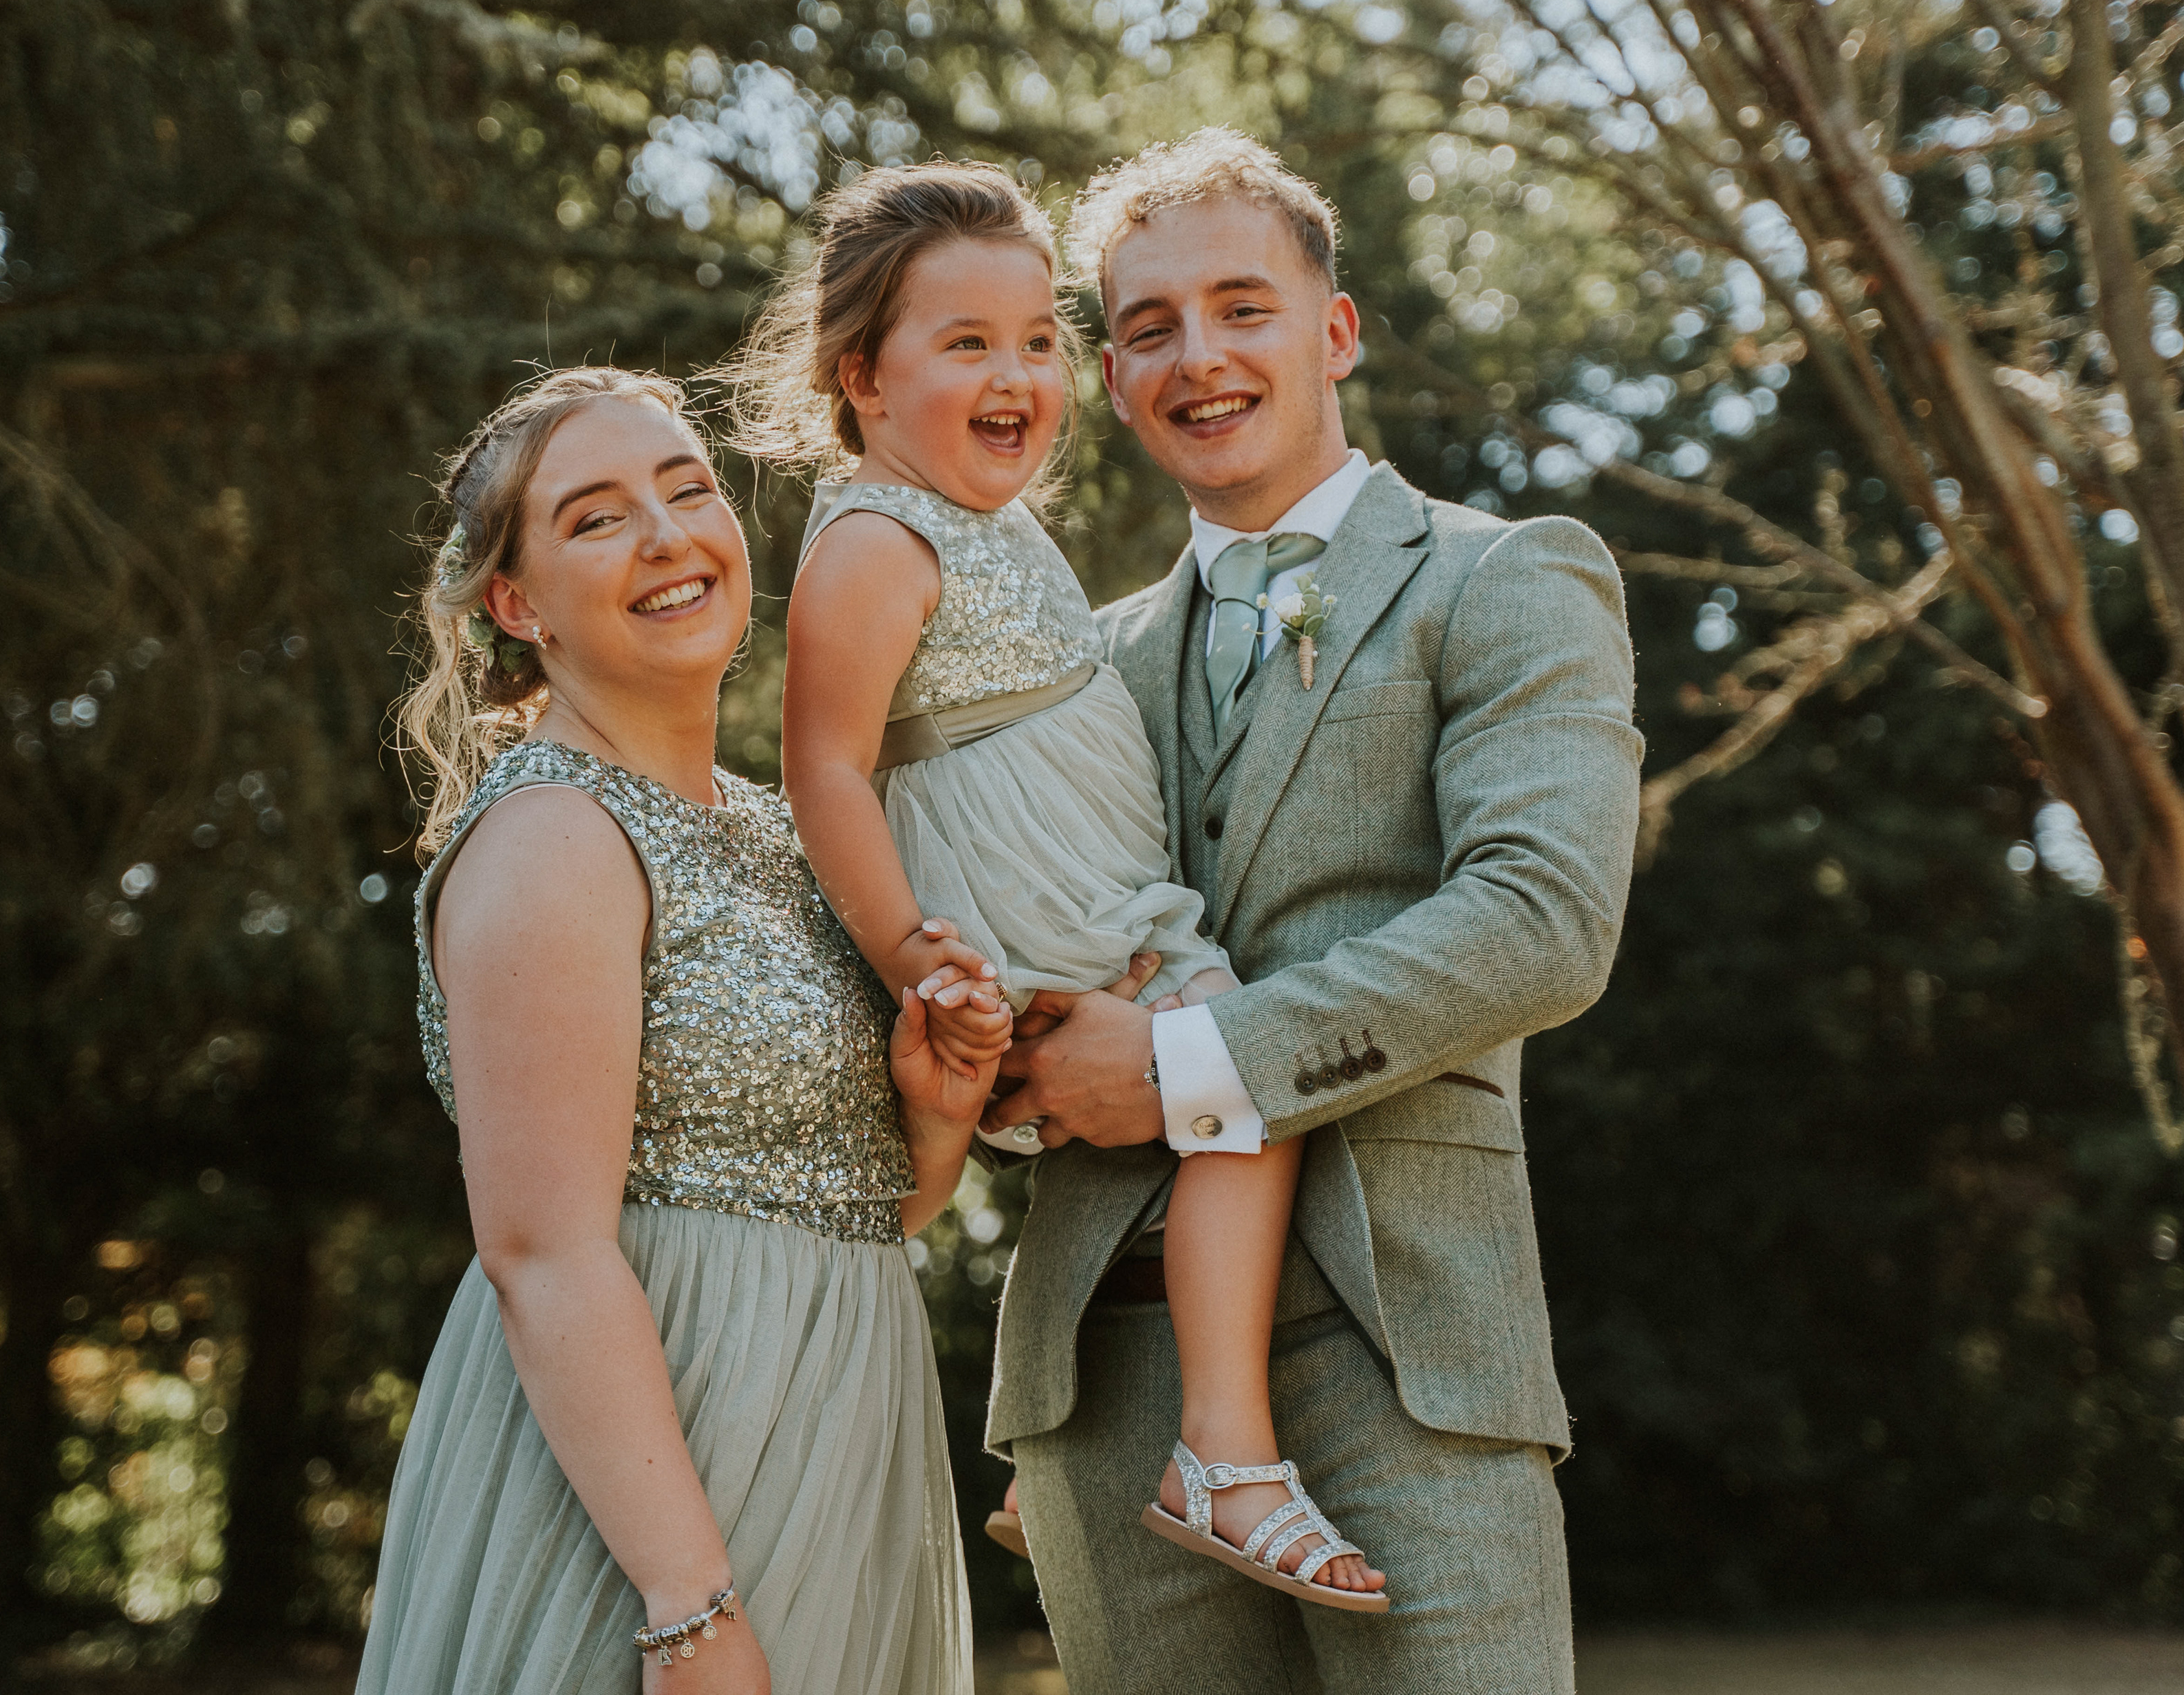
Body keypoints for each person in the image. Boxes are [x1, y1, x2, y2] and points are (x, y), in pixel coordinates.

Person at [981, 131, 1643, 1693]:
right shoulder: (1070, 660)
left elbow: (1545, 915)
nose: (1196, 356)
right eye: (1147, 327)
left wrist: (1180, 1060)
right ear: (1116, 371)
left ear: (1332, 332)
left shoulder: (1505, 577)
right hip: (1101, 1371)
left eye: (1241, 307)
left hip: (1411, 1350)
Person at [733, 162, 1387, 1609]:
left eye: (1038, 339)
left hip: (1082, 891)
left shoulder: (990, 519)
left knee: (1159, 1138)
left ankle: (1053, 1459)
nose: (1018, 373)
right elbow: (828, 770)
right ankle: (1225, 1450)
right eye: (965, 344)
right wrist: (914, 956)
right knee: (1237, 1085)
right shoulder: (875, 537)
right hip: (1020, 909)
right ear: (863, 378)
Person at [356, 367, 993, 1695]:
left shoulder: (790, 832)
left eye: (687, 488)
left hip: (840, 1439)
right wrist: (688, 1609)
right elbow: (542, 1251)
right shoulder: (550, 840)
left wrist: (934, 1110)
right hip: (649, 1513)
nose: (665, 535)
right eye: (595, 517)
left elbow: (862, 1207)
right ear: (517, 607)